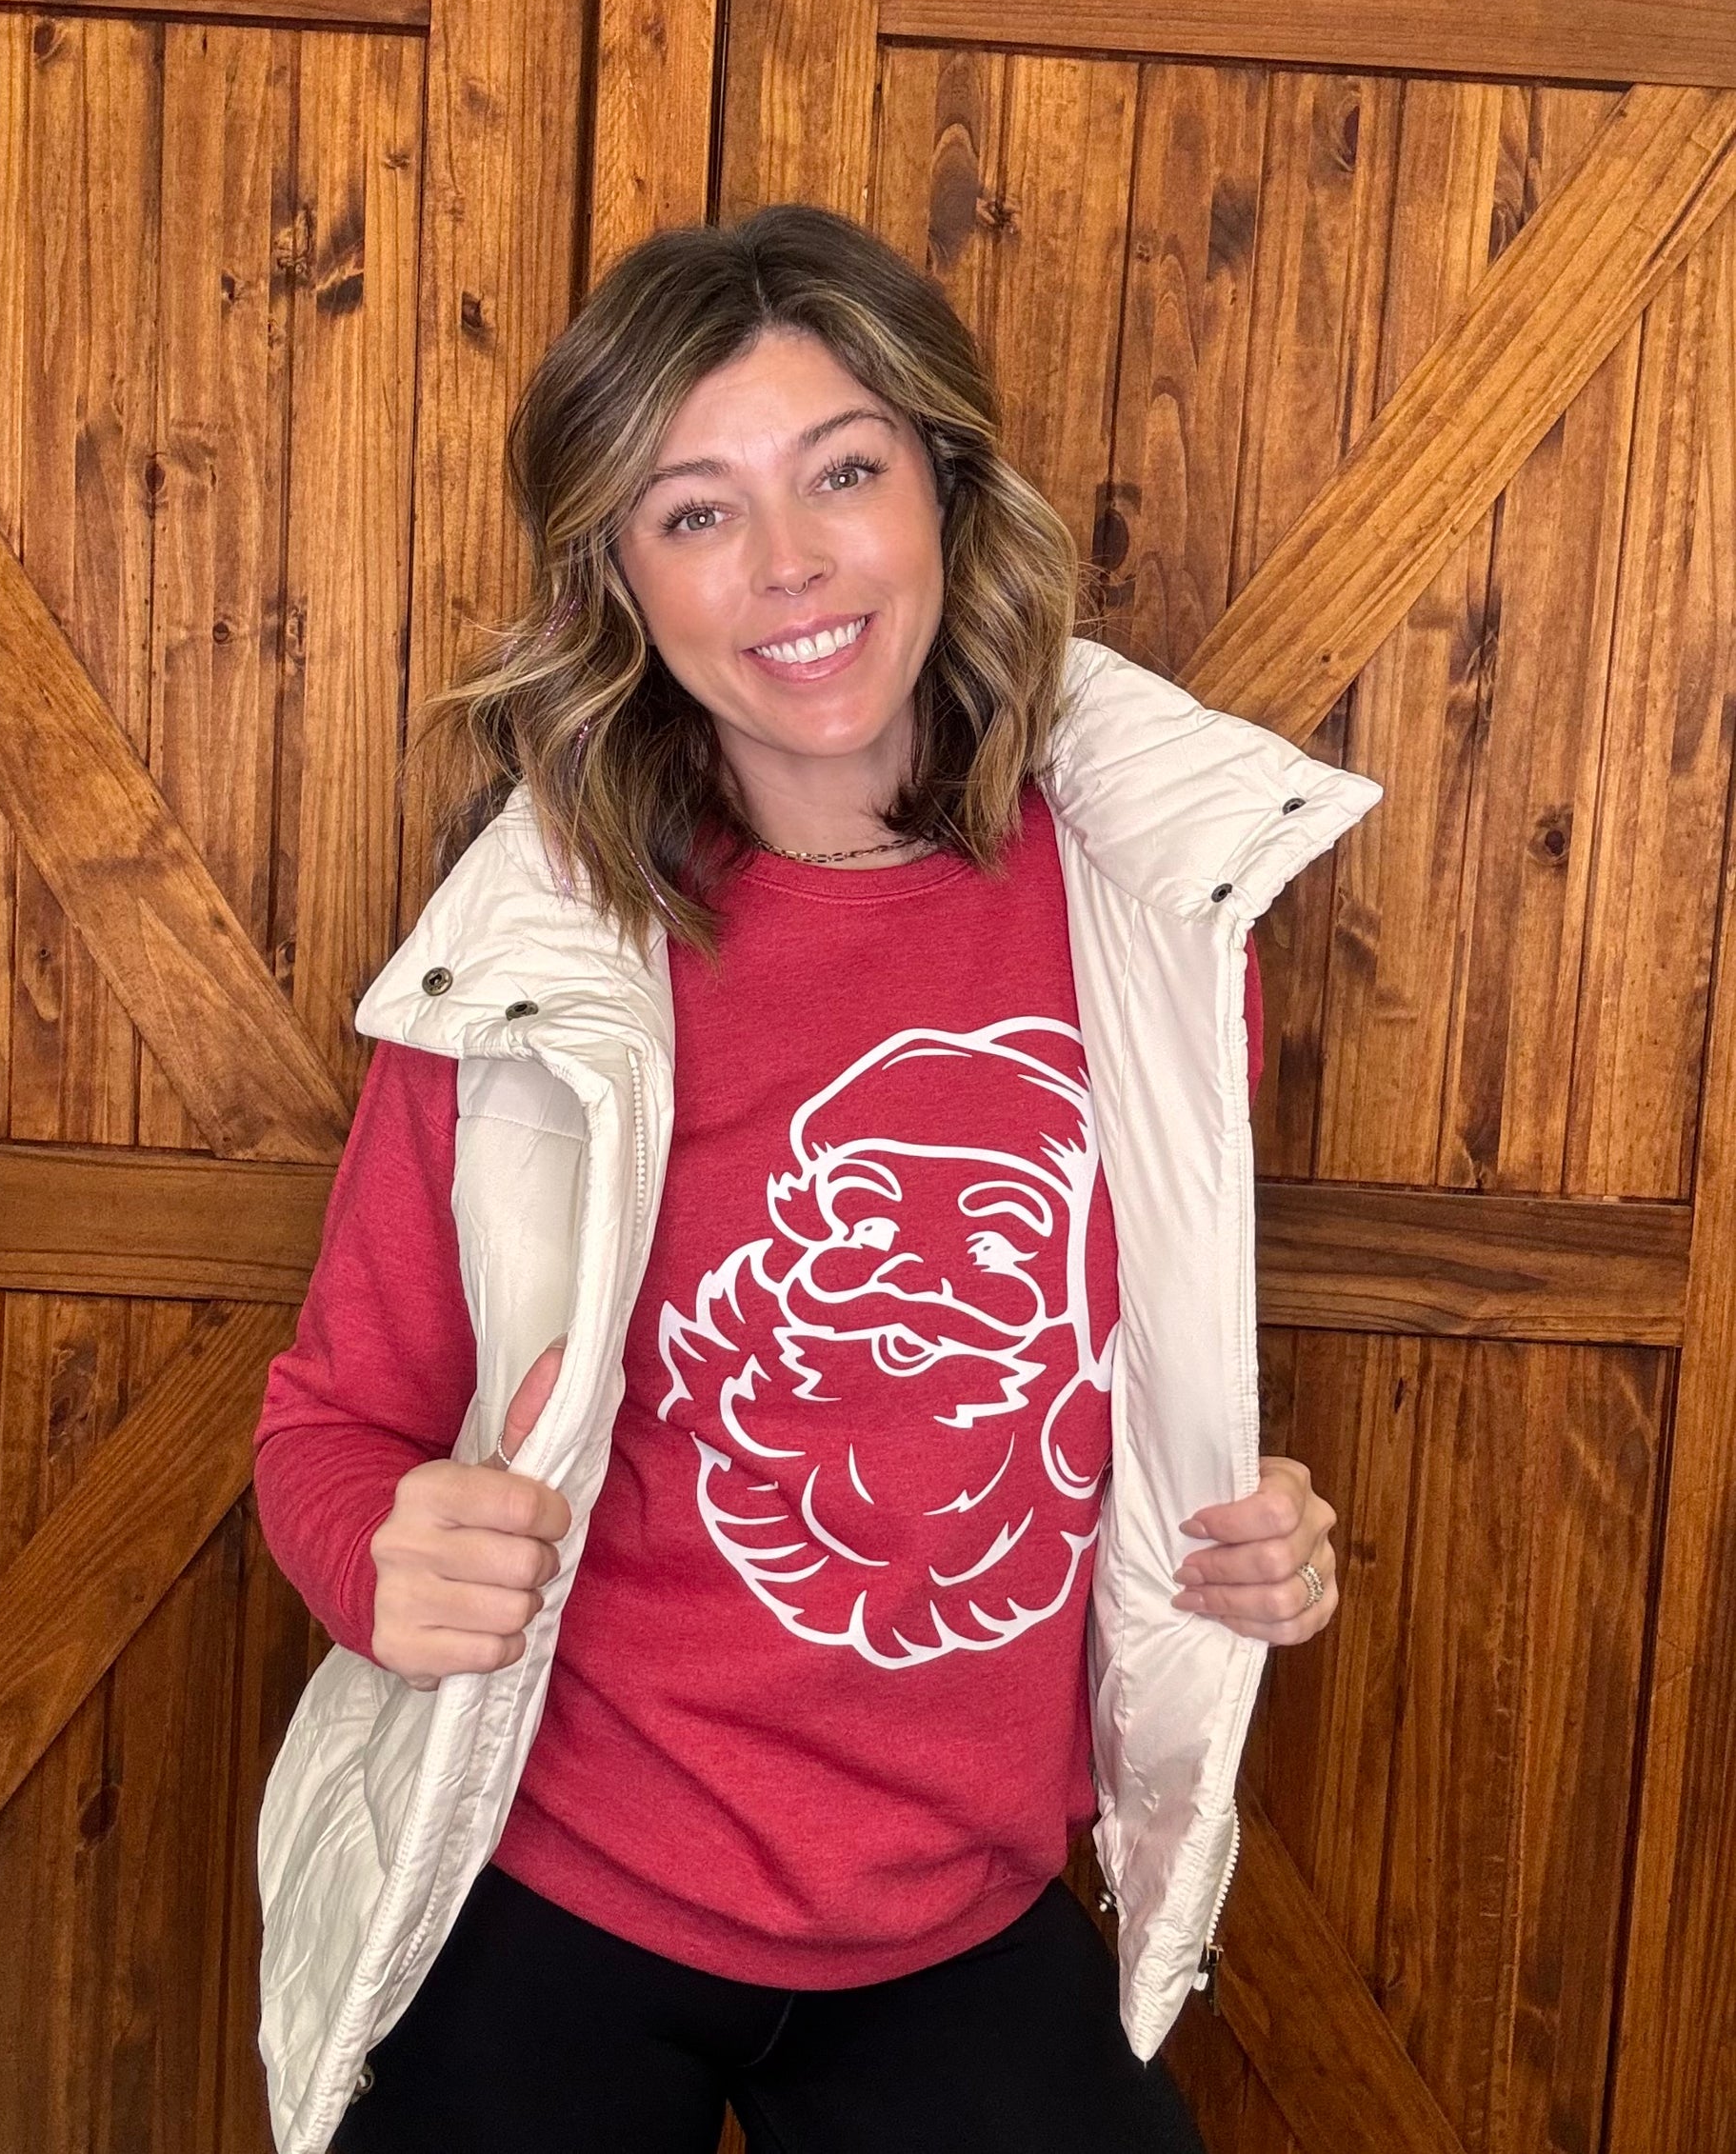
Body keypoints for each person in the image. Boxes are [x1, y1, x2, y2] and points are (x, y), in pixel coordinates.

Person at [251, 204, 1381, 2154]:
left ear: (943, 485)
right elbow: (327, 1426)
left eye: (842, 472)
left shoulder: (1149, 915)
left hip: (959, 1913)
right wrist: (381, 1557)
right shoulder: (530, 963)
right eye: (693, 511)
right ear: (618, 576)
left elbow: (1112, 1364)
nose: (787, 562)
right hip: (558, 1887)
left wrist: (1240, 1522)